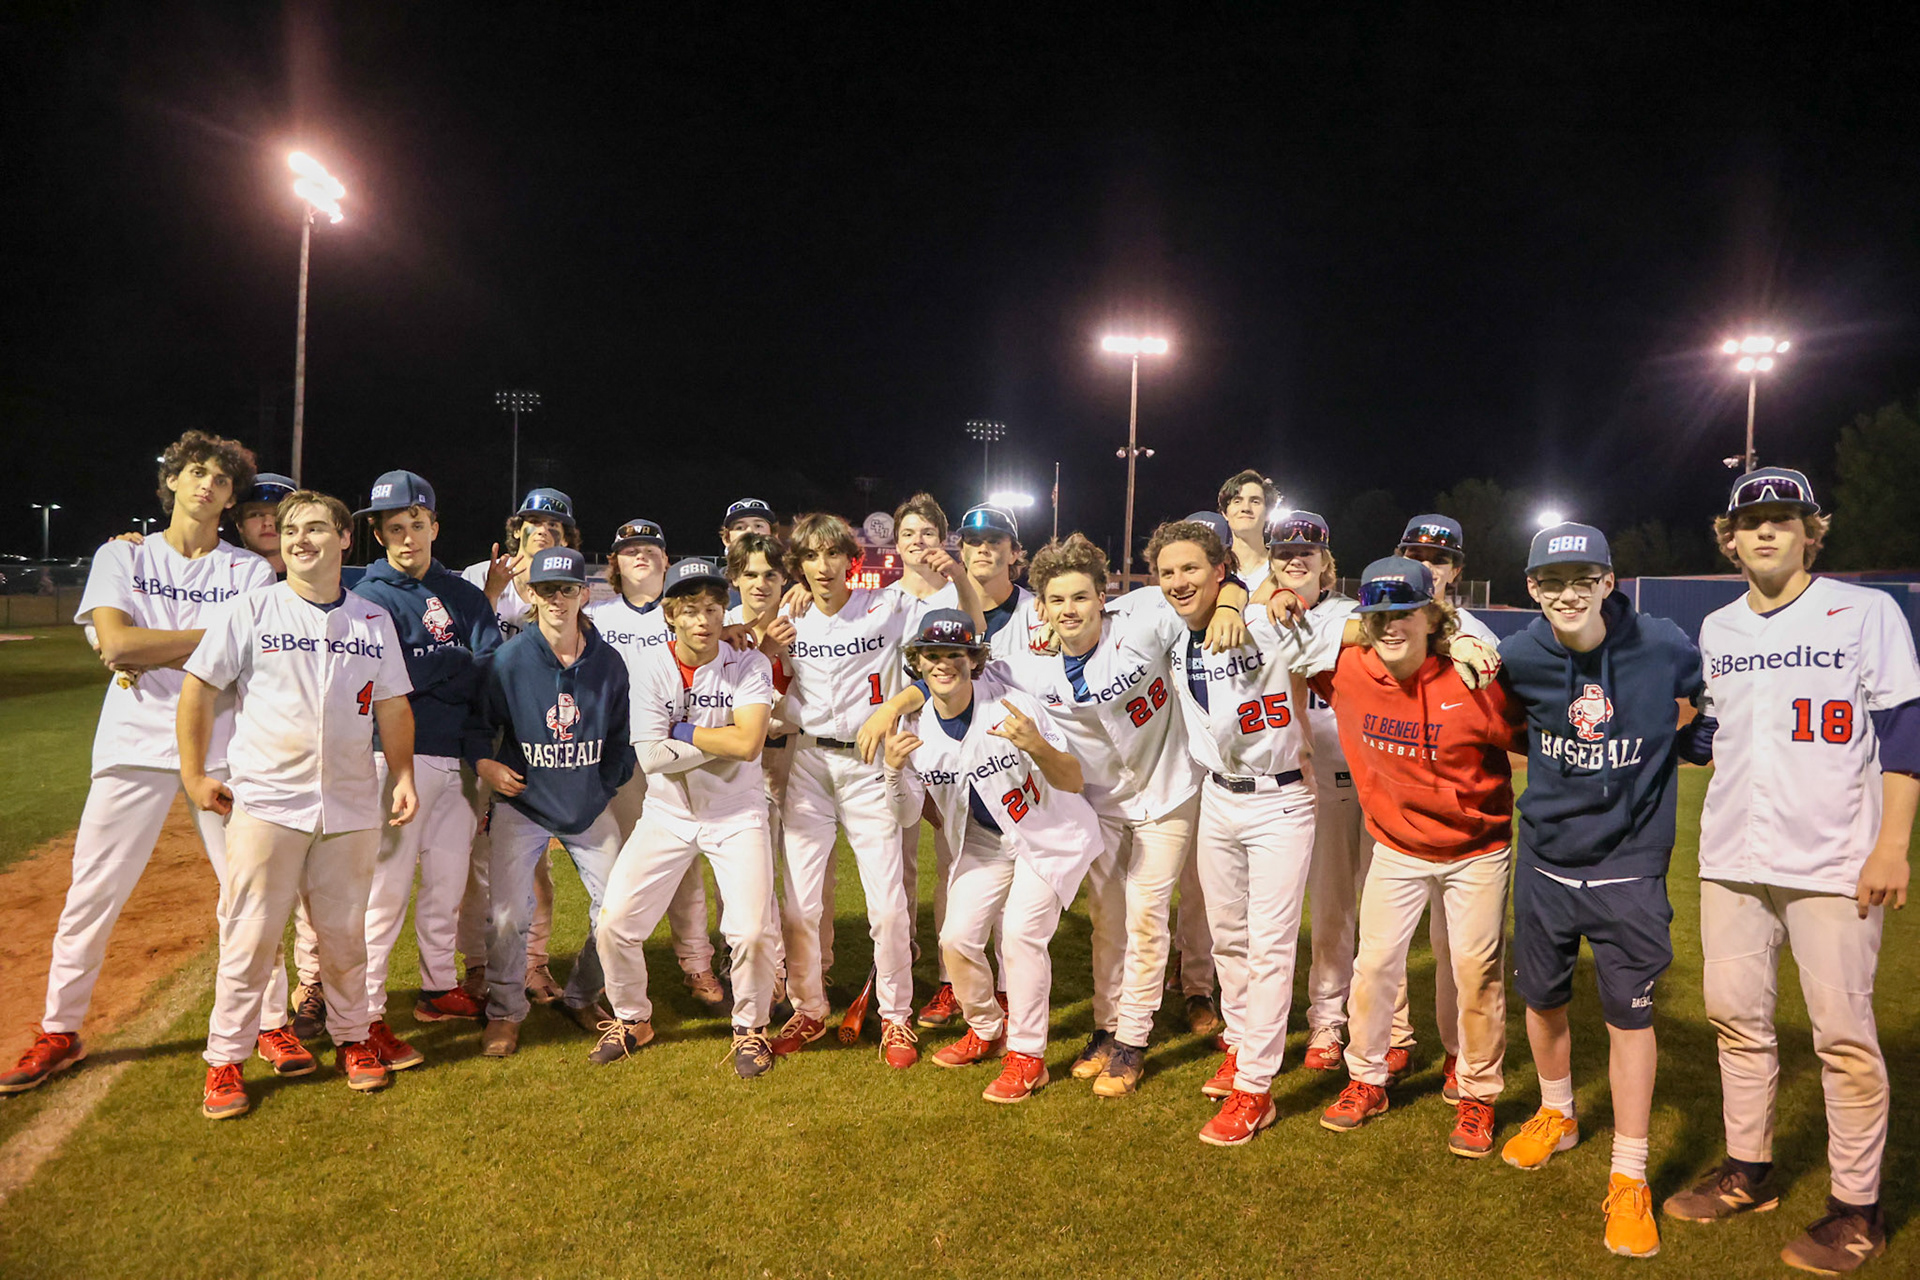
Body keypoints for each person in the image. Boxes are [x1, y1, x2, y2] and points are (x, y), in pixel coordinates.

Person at [1663, 468, 1918, 1276]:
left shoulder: (1866, 611)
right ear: (1729, 538)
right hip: (1733, 855)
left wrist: (1892, 844)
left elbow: (1905, 729)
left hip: (1836, 856)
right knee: (1736, 1020)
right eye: (1751, 520)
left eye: (1785, 518)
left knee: (1844, 1038)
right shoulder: (1717, 629)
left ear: (1814, 531)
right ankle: (1750, 1169)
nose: (1767, 531)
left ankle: (1856, 1210)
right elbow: (1712, 737)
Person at [3, 432, 279, 1096]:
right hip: (131, 743)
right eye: (195, 473)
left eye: (220, 478)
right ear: (174, 482)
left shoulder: (249, 572)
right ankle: (60, 1028)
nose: (207, 484)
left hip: (223, 748)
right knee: (94, 890)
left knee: (249, 890)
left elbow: (245, 655)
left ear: (231, 496)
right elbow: (120, 645)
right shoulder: (119, 555)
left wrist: (162, 647)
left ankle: (270, 1023)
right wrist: (215, 640)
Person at [1495, 521, 1708, 1260]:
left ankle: (1630, 1173)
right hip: (1548, 862)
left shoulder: (1665, 645)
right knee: (1543, 1001)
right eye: (1551, 581)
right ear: (1531, 588)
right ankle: (1559, 1114)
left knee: (1629, 1021)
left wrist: (1686, 737)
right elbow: (1512, 729)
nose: (1567, 593)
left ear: (1609, 581)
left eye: (1583, 578)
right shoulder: (1518, 655)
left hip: (1630, 870)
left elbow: (1700, 705)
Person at [179, 489, 418, 1119]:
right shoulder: (252, 610)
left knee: (344, 938)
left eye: (315, 528)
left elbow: (392, 703)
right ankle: (225, 1059)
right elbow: (199, 690)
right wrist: (193, 772)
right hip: (268, 803)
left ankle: (353, 1039)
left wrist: (402, 775)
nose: (300, 540)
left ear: (345, 539)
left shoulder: (371, 619)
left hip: (350, 804)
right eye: (290, 531)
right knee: (250, 936)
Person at [1314, 556, 1523, 1159]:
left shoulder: (1475, 679)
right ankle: (1367, 1078)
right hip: (1396, 847)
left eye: (1404, 612)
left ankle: (1479, 1090)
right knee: (1374, 966)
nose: (1390, 626)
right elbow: (1285, 635)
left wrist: (1462, 642)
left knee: (1475, 971)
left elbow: (1528, 736)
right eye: (1378, 616)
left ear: (1432, 616)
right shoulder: (1347, 669)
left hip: (1475, 849)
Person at [768, 513, 979, 1068]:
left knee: (887, 907)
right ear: (801, 565)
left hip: (868, 762)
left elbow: (956, 631)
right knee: (798, 906)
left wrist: (890, 708)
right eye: (811, 557)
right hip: (809, 761)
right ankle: (809, 1009)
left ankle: (896, 1017)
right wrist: (769, 634)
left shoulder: (885, 606)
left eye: (832, 555)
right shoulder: (790, 617)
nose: (822, 566)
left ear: (849, 560)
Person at [1146, 515, 1326, 1146]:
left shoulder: (1265, 616)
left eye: (1192, 568)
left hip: (1280, 800)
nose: (1177, 581)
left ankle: (1255, 1088)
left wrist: (1245, 597)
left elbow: (1348, 630)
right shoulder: (1168, 626)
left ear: (1222, 569)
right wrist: (1229, 595)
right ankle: (1245, 1043)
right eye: (1167, 571)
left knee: (1269, 943)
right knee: (1227, 941)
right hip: (1217, 799)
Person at [883, 610, 1100, 1102]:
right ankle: (986, 1026)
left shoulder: (1013, 705)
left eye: (954, 655)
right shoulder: (915, 727)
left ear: (973, 659)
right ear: (917, 661)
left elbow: (1072, 779)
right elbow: (905, 816)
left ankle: (1028, 1056)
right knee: (955, 939)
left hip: (1047, 831)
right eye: (932, 655)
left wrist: (1037, 746)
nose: (943, 665)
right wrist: (895, 772)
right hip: (984, 840)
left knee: (1022, 935)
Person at [595, 560, 780, 1078]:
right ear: (671, 615)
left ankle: (750, 1029)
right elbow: (651, 758)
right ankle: (633, 1018)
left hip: (736, 812)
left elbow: (748, 744)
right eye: (691, 609)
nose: (704, 619)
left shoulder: (748, 662)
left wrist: (683, 730)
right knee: (615, 924)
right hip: (668, 812)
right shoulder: (651, 666)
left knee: (750, 933)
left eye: (713, 608)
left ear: (725, 612)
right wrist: (717, 741)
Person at [344, 471, 503, 1068]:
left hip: (458, 761)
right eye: (393, 528)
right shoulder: (367, 595)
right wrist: (447, 663)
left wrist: (425, 667)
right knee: (383, 895)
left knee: (446, 887)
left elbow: (488, 668)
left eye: (416, 524)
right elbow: (384, 681)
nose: (406, 537)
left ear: (434, 526)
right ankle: (366, 1013)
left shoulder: (462, 594)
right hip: (392, 758)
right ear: (380, 534)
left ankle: (437, 988)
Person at [466, 547, 636, 1056]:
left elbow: (621, 738)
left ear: (585, 593)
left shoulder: (607, 662)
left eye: (567, 589)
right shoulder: (509, 660)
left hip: (586, 804)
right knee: (507, 917)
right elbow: (478, 727)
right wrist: (485, 764)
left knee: (619, 912)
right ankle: (505, 1011)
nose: (557, 599)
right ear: (531, 595)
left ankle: (581, 995)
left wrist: (601, 787)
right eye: (546, 590)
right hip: (523, 803)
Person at [1253, 512, 1391, 1076]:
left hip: (1375, 776)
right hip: (1313, 781)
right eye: (1284, 550)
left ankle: (1383, 1027)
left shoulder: (1352, 614)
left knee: (1382, 915)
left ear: (1326, 560)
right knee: (1332, 910)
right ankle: (1327, 1022)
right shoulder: (1250, 614)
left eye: (1307, 549)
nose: (1295, 557)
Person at [586, 517, 724, 1007]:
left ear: (667, 559)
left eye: (651, 548)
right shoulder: (599, 618)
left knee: (684, 864)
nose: (641, 555)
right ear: (615, 565)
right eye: (629, 550)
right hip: (620, 753)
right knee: (616, 867)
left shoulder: (686, 614)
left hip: (681, 752)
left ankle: (697, 963)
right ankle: (613, 971)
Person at [458, 487, 581, 1007]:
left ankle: (533, 964)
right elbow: (461, 644)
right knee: (472, 863)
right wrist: (490, 591)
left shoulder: (565, 586)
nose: (542, 530)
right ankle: (477, 967)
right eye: (534, 523)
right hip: (482, 734)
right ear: (517, 530)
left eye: (554, 526)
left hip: (534, 737)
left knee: (534, 865)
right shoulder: (476, 576)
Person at [1217, 469, 1280, 593]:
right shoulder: (1213, 567)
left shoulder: (1283, 567)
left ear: (1268, 513)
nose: (1245, 508)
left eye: (1255, 501)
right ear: (1225, 513)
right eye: (1237, 501)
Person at [231, 473, 296, 576]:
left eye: (278, 514)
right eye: (256, 515)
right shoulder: (223, 577)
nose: (268, 523)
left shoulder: (315, 578)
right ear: (239, 524)